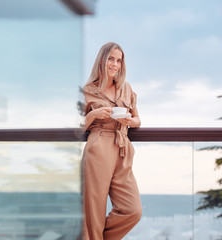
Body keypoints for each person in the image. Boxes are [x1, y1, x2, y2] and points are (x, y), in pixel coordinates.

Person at [81, 42, 142, 240]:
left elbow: (138, 120)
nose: (115, 64)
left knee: (132, 210)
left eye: (119, 60)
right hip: (99, 147)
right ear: (102, 60)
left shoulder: (126, 89)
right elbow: (76, 127)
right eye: (111, 59)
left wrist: (130, 121)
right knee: (94, 212)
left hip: (123, 148)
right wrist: (94, 114)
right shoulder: (88, 90)